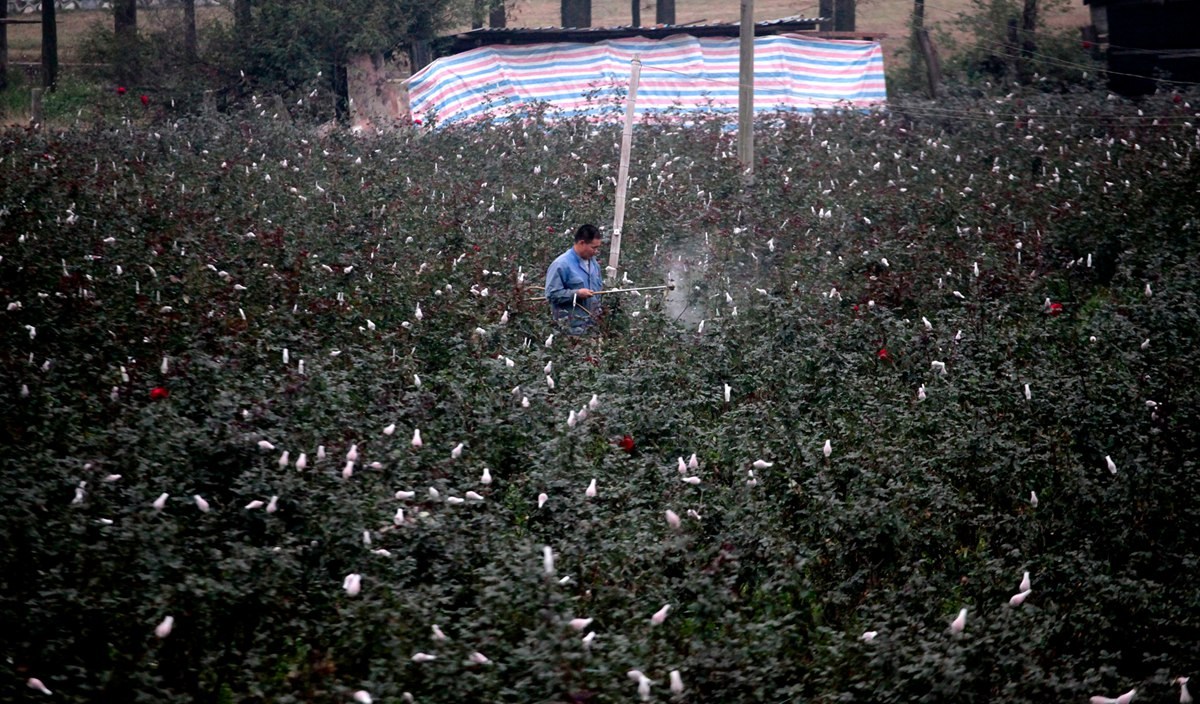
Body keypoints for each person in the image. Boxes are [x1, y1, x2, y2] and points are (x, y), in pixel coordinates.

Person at [545, 224, 604, 334]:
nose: (596, 251)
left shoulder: (594, 264)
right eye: (593, 247)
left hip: (592, 328)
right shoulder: (561, 265)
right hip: (569, 330)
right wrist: (576, 294)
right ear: (582, 243)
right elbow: (551, 294)